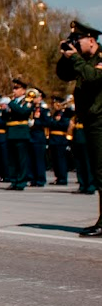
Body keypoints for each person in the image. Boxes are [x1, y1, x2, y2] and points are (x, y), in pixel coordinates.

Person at [56, 21, 102, 237]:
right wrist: (67, 56)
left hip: (100, 121)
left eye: (78, 39)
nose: (75, 43)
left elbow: (94, 78)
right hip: (91, 122)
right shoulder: (83, 60)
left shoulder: (100, 59)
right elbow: (64, 75)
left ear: (91, 40)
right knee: (98, 172)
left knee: (101, 172)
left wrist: (74, 57)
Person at [4, 79, 33, 191]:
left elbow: (23, 112)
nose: (14, 90)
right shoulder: (14, 102)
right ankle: (14, 180)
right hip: (11, 133)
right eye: (13, 88)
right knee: (12, 160)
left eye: (17, 88)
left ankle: (21, 182)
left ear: (23, 90)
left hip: (21, 133)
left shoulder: (27, 102)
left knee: (22, 159)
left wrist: (10, 104)